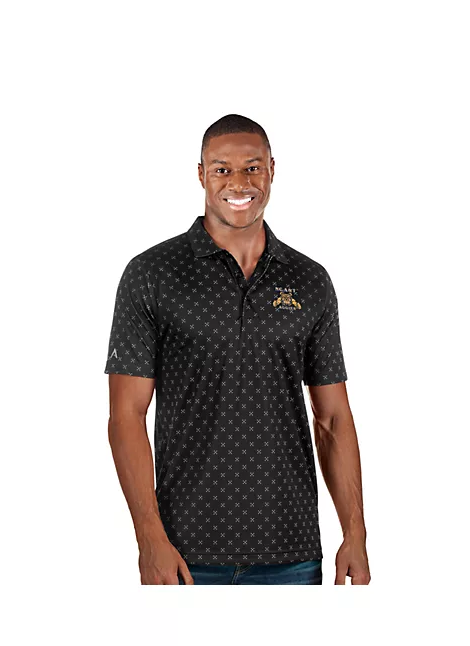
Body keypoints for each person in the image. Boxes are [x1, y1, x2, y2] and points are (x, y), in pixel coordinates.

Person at [104, 114, 370, 585]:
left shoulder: (310, 280)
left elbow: (332, 419)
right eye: (222, 169)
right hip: (183, 553)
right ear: (201, 174)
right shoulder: (152, 274)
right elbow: (126, 415)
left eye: (252, 168)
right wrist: (149, 538)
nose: (239, 183)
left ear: (272, 170)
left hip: (292, 552)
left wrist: (355, 533)